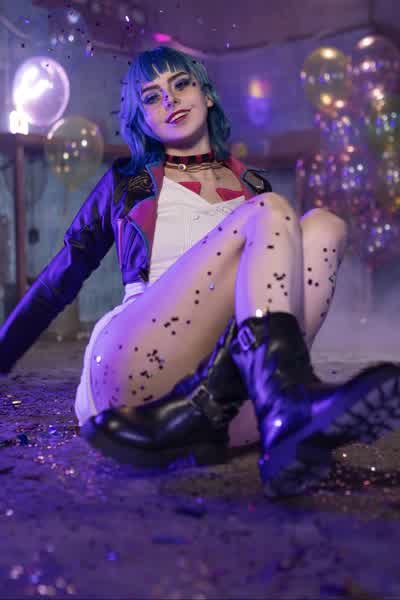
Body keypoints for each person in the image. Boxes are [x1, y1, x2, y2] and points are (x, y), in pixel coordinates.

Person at [1, 46, 400, 498]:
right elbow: (59, 279)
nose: (169, 100)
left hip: (229, 400)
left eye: (181, 84)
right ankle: (281, 404)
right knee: (269, 211)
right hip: (138, 362)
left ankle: (276, 407)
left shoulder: (252, 185)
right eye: (151, 96)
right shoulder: (129, 181)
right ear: (141, 117)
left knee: (326, 225)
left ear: (206, 95)